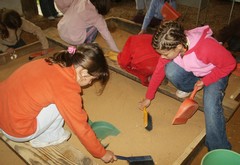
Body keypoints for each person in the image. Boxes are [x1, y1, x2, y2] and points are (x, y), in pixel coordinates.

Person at [0, 43, 117, 163]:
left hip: (2, 113)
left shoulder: (47, 61)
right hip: (16, 130)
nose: (90, 83)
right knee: (59, 105)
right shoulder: (66, 89)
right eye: (91, 79)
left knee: (46, 96)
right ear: (83, 72)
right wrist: (101, 153)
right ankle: (47, 138)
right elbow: (81, 128)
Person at [139, 21, 236, 151]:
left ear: (179, 46)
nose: (162, 57)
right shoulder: (175, 44)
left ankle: (218, 148)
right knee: (170, 70)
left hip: (216, 73)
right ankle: (189, 87)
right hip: (196, 71)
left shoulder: (206, 48)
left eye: (165, 54)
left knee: (211, 105)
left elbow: (230, 64)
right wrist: (148, 97)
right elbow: (158, 71)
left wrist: (206, 81)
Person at [54, 0, 120, 52]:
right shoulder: (97, 18)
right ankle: (86, 47)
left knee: (79, 22)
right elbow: (107, 36)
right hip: (73, 39)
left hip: (61, 31)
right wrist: (116, 51)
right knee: (96, 27)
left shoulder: (81, 1)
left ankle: (72, 49)